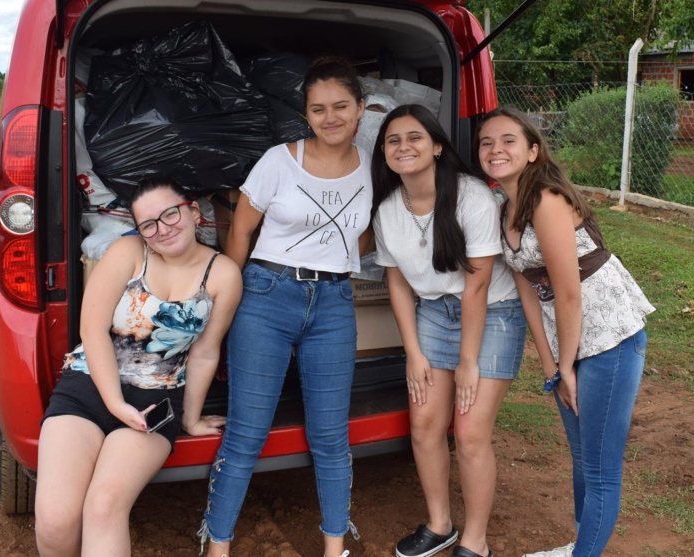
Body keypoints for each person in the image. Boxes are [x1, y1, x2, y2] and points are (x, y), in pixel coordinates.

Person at [200, 56, 370, 557]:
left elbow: (364, 235)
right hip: (267, 296)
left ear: (361, 108)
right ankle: (217, 546)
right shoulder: (279, 160)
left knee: (330, 437)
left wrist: (332, 263)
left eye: (341, 105)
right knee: (248, 433)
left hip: (336, 303)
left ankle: (335, 548)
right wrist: (228, 304)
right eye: (318, 108)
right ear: (306, 113)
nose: (330, 116)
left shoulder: (373, 169)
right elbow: (241, 232)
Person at [476, 106, 655, 557]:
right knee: (582, 459)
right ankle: (582, 544)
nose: (496, 149)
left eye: (508, 140)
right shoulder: (504, 211)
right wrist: (553, 366)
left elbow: (568, 293)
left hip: (609, 335)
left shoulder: (548, 201)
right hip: (571, 340)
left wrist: (568, 365)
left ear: (533, 150)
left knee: (600, 471)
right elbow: (529, 294)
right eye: (486, 142)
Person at [34, 176, 242, 557]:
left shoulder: (224, 274)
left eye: (170, 214)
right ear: (140, 232)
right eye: (149, 224)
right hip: (88, 386)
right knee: (56, 517)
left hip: (156, 402)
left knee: (103, 506)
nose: (163, 229)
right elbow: (91, 330)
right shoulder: (127, 251)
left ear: (193, 212)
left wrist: (191, 419)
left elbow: (205, 353)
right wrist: (114, 403)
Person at [371, 104, 526, 557]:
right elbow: (396, 283)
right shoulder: (386, 211)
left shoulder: (473, 197)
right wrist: (413, 353)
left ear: (437, 146)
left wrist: (467, 363)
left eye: (415, 137)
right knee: (423, 424)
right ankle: (440, 525)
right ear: (384, 152)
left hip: (493, 313)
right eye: (394, 140)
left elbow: (477, 286)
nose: (404, 147)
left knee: (471, 431)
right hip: (434, 314)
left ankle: (476, 542)